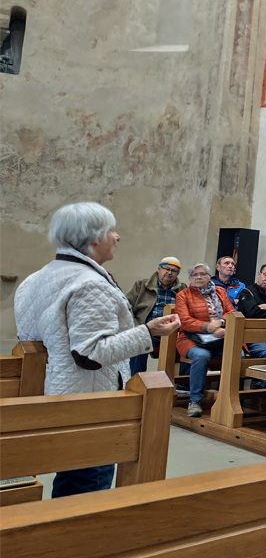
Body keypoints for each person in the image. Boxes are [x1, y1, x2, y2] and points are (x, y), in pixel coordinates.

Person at [14, 202, 181, 496]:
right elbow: (91, 354)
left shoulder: (37, 277)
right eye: (112, 231)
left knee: (72, 479)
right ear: (94, 238)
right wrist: (148, 331)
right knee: (86, 485)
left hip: (50, 391)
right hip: (88, 401)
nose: (117, 237)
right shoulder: (90, 283)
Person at [175, 263, 235, 418]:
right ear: (190, 278)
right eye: (195, 275)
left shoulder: (220, 291)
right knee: (202, 356)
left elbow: (232, 312)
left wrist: (221, 323)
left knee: (238, 354)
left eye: (203, 274)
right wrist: (209, 327)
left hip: (221, 337)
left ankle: (228, 400)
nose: (199, 277)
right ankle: (195, 401)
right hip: (191, 339)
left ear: (210, 276)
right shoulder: (183, 295)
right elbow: (185, 321)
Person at [126, 256, 186, 375]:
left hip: (172, 332)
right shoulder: (142, 285)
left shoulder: (182, 289)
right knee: (140, 342)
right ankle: (136, 381)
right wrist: (138, 327)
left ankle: (178, 385)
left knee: (189, 345)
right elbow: (126, 309)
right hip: (147, 329)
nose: (169, 273)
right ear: (159, 269)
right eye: (166, 269)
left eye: (174, 271)